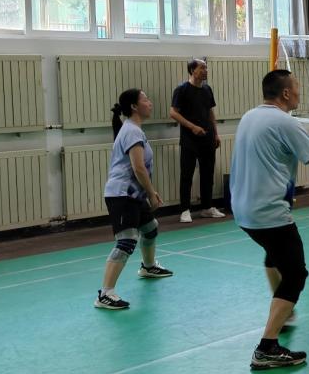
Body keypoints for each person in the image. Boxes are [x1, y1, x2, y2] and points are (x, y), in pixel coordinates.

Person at [231, 69, 309, 370]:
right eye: (297, 87)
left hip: (243, 211)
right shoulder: (285, 122)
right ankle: (267, 348)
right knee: (296, 275)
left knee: (274, 255)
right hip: (269, 213)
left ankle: (283, 313)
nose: (300, 91)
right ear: (286, 93)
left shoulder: (249, 116)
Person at [95, 89, 173, 310]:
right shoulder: (131, 131)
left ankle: (148, 266)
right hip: (121, 195)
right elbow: (138, 167)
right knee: (127, 241)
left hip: (132, 195)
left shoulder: (134, 129)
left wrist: (147, 192)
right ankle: (105, 294)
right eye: (145, 99)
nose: (150, 102)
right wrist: (151, 193)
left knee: (150, 228)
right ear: (134, 107)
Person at [170, 58, 224, 224]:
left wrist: (216, 134)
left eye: (206, 68)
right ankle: (185, 210)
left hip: (208, 138)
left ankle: (207, 207)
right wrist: (192, 127)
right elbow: (173, 112)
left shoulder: (207, 89)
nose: (206, 70)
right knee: (186, 175)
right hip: (189, 140)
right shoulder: (182, 89)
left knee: (208, 173)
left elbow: (210, 112)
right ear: (193, 70)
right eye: (202, 68)